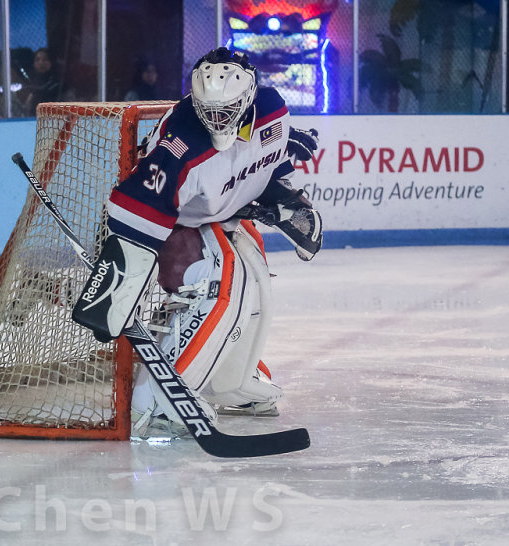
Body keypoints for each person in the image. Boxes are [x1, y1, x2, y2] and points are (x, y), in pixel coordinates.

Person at [70, 47, 322, 439]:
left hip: (221, 218)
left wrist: (286, 195)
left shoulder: (272, 110)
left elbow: (263, 164)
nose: (217, 118)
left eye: (228, 109)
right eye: (208, 109)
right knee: (222, 282)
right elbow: (135, 211)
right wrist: (117, 285)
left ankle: (230, 381)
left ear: (249, 96)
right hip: (174, 226)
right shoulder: (180, 144)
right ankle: (159, 399)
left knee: (257, 285)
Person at [21, 48, 61, 116]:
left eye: (45, 59)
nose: (41, 62)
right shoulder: (30, 85)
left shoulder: (60, 85)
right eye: (37, 60)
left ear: (51, 62)